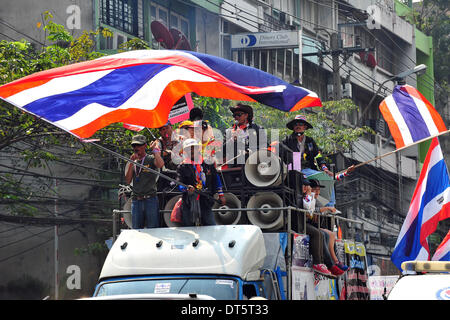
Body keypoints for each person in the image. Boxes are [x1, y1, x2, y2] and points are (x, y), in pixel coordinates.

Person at [282, 114, 335, 206]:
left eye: (300, 124)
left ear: (305, 127)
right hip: (292, 169)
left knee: (328, 178)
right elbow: (282, 157)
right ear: (293, 127)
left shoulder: (310, 141)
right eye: (296, 124)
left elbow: (318, 156)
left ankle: (330, 206)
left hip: (307, 170)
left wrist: (324, 168)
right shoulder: (286, 140)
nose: (298, 126)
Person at [177, 138, 226, 226]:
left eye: (193, 148)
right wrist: (186, 188)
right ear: (185, 151)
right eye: (188, 149)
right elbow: (179, 184)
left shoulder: (208, 163)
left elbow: (216, 179)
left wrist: (221, 195)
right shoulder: (182, 166)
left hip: (206, 200)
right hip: (189, 202)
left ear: (198, 149)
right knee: (189, 229)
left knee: (210, 226)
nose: (191, 150)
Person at [309, 179, 348, 276]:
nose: (317, 192)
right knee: (323, 235)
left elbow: (319, 209)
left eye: (318, 190)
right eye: (315, 189)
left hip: (315, 224)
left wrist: (327, 209)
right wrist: (326, 209)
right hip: (309, 224)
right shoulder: (307, 198)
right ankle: (330, 263)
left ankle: (335, 261)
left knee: (331, 234)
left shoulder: (315, 199)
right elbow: (312, 210)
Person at [296, 179, 334, 277]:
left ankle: (322, 263)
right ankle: (318, 263)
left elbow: (310, 212)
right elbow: (309, 210)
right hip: (299, 223)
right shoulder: (300, 196)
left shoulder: (308, 197)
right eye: (305, 187)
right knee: (317, 233)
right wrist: (309, 194)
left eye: (307, 187)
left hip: (305, 222)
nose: (306, 188)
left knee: (321, 234)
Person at [125, 134, 164, 229]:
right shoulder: (132, 161)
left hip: (150, 199)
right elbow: (128, 180)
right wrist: (131, 162)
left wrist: (155, 151)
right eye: (134, 145)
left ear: (145, 146)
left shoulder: (150, 159)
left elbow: (160, 164)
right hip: (136, 200)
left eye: (139, 145)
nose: (136, 148)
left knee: (152, 229)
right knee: (136, 230)